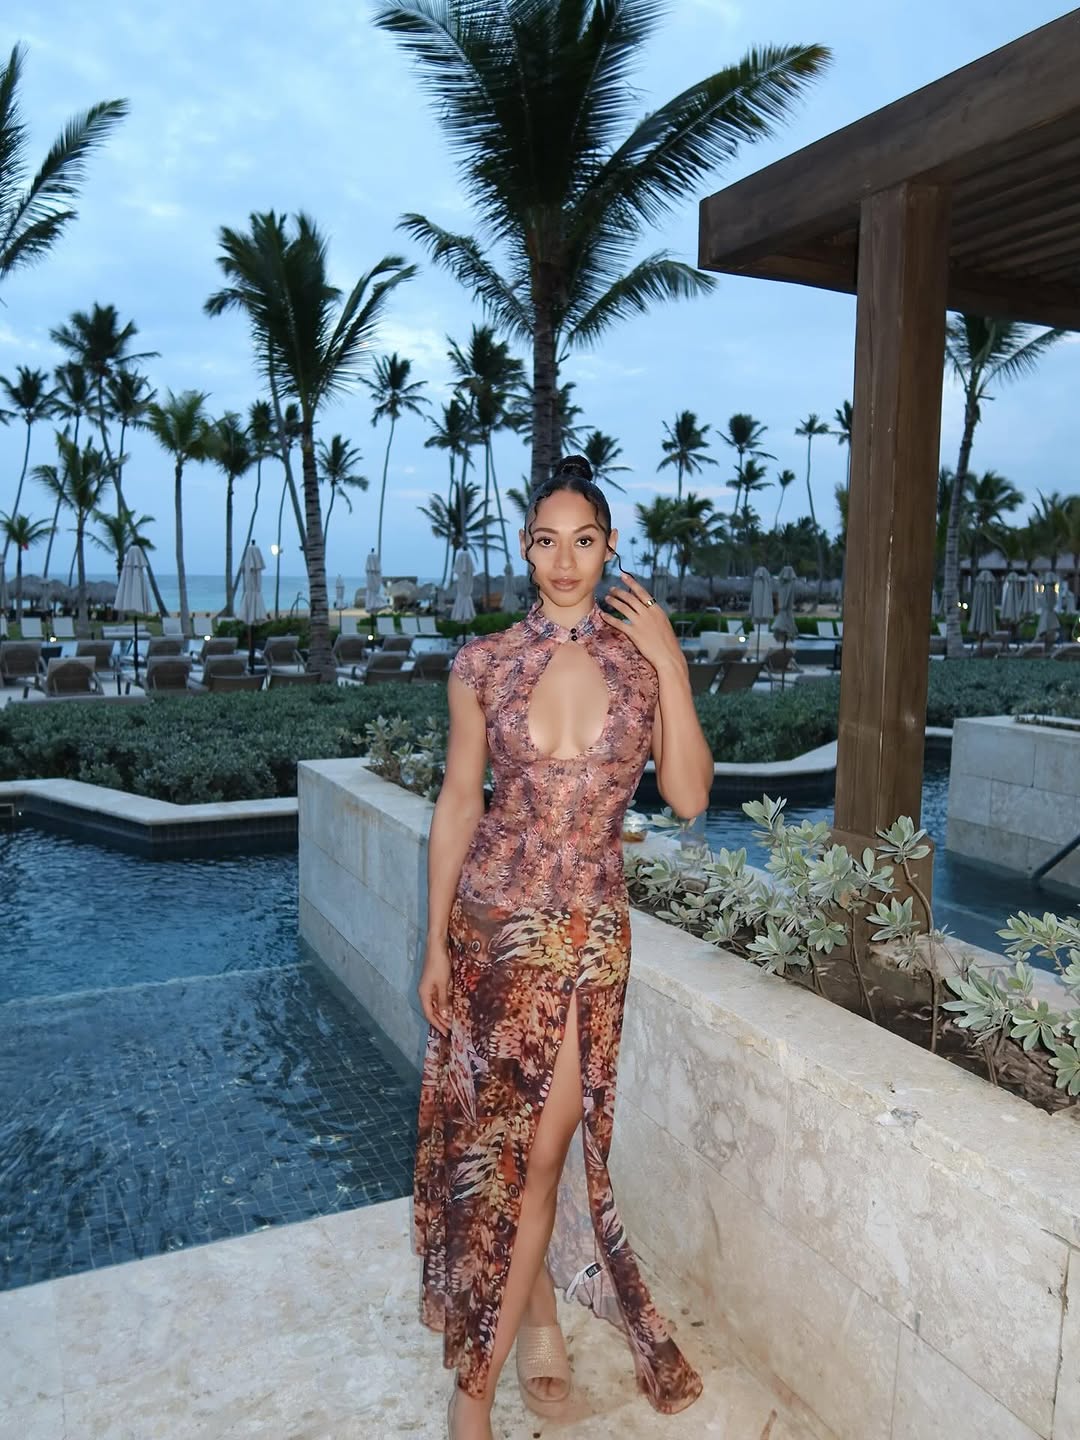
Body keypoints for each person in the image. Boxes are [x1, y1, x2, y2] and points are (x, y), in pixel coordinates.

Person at [414, 455, 714, 1439]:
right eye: (546, 541)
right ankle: (529, 1315)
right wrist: (433, 946)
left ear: (610, 546)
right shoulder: (483, 665)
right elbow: (459, 804)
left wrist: (672, 662)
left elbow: (689, 796)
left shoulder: (639, 664)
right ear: (526, 548)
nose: (565, 561)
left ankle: (470, 1396)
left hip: (586, 940)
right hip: (489, 930)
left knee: (540, 1155)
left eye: (583, 541)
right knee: (493, 1148)